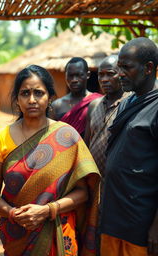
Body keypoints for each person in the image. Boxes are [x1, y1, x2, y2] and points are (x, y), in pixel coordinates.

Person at [0, 64, 100, 256]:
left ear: (50, 98)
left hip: (58, 234)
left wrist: (48, 210)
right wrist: (13, 214)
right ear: (17, 99)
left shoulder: (66, 137)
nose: (32, 100)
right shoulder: (0, 139)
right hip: (17, 234)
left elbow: (83, 193)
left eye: (39, 93)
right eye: (25, 93)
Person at [100, 38, 158, 256]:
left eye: (127, 67)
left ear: (149, 68)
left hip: (140, 220)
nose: (120, 73)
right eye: (119, 67)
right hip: (113, 213)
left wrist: (156, 227)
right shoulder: (126, 103)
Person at [84, 55, 129, 179]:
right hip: (94, 179)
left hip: (119, 180)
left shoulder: (130, 103)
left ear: (121, 74)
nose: (104, 79)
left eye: (110, 74)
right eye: (100, 75)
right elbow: (87, 143)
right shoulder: (94, 105)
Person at [50, 57, 102, 136]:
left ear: (87, 75)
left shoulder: (98, 101)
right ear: (65, 76)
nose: (74, 80)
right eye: (70, 76)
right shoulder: (56, 105)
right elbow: (51, 135)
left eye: (78, 75)